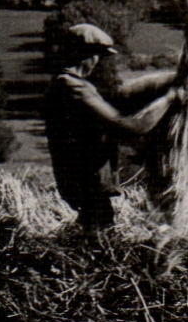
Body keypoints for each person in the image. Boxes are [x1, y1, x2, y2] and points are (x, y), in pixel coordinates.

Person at [43, 23, 180, 230]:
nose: (97, 62)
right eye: (97, 55)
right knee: (99, 234)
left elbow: (116, 103)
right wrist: (170, 99)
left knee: (95, 230)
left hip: (76, 182)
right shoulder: (75, 88)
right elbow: (130, 128)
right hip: (88, 183)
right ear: (86, 54)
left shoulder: (60, 85)